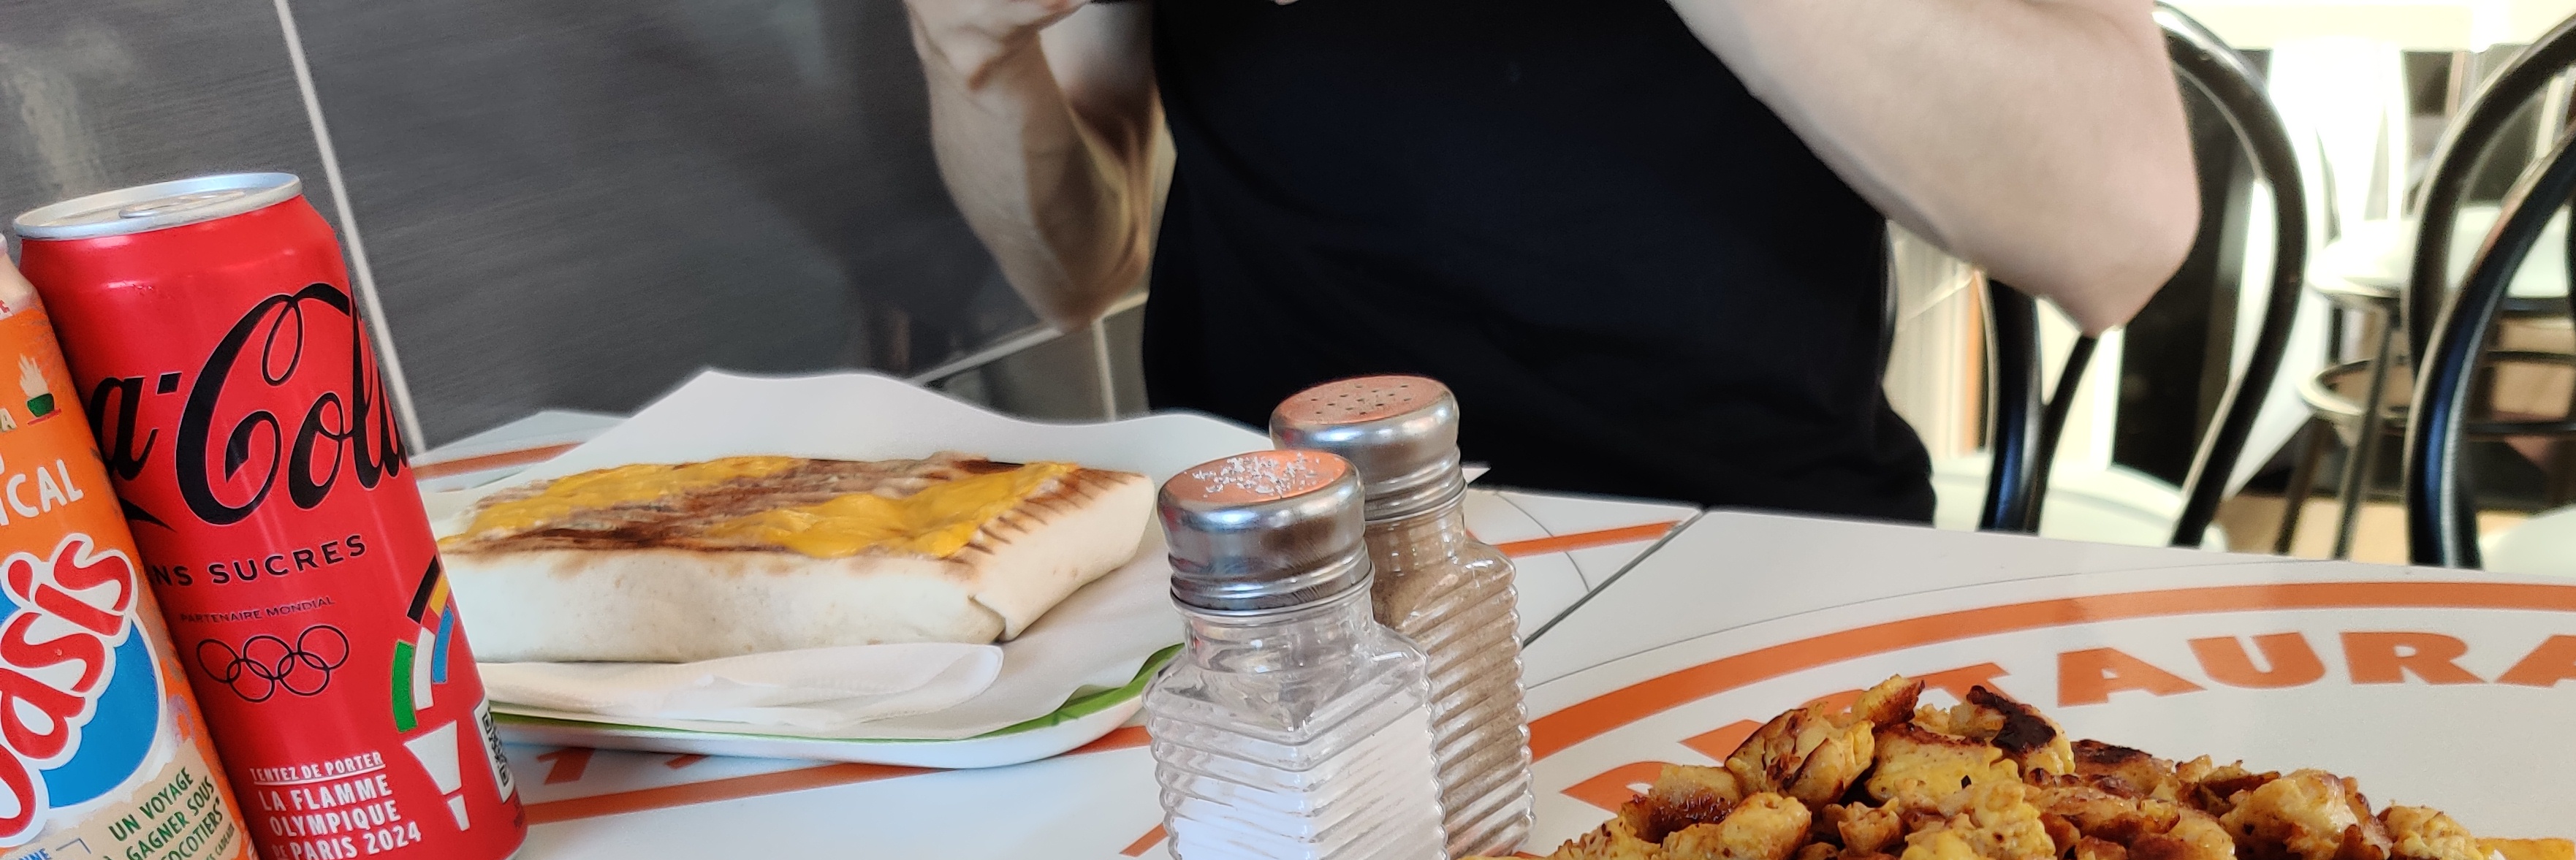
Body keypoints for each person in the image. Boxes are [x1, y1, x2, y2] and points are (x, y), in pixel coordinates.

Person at [903, 0, 2197, 523]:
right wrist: (971, 56)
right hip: (1277, 589)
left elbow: (2121, 230)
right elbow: (1080, 262)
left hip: (1737, 558)